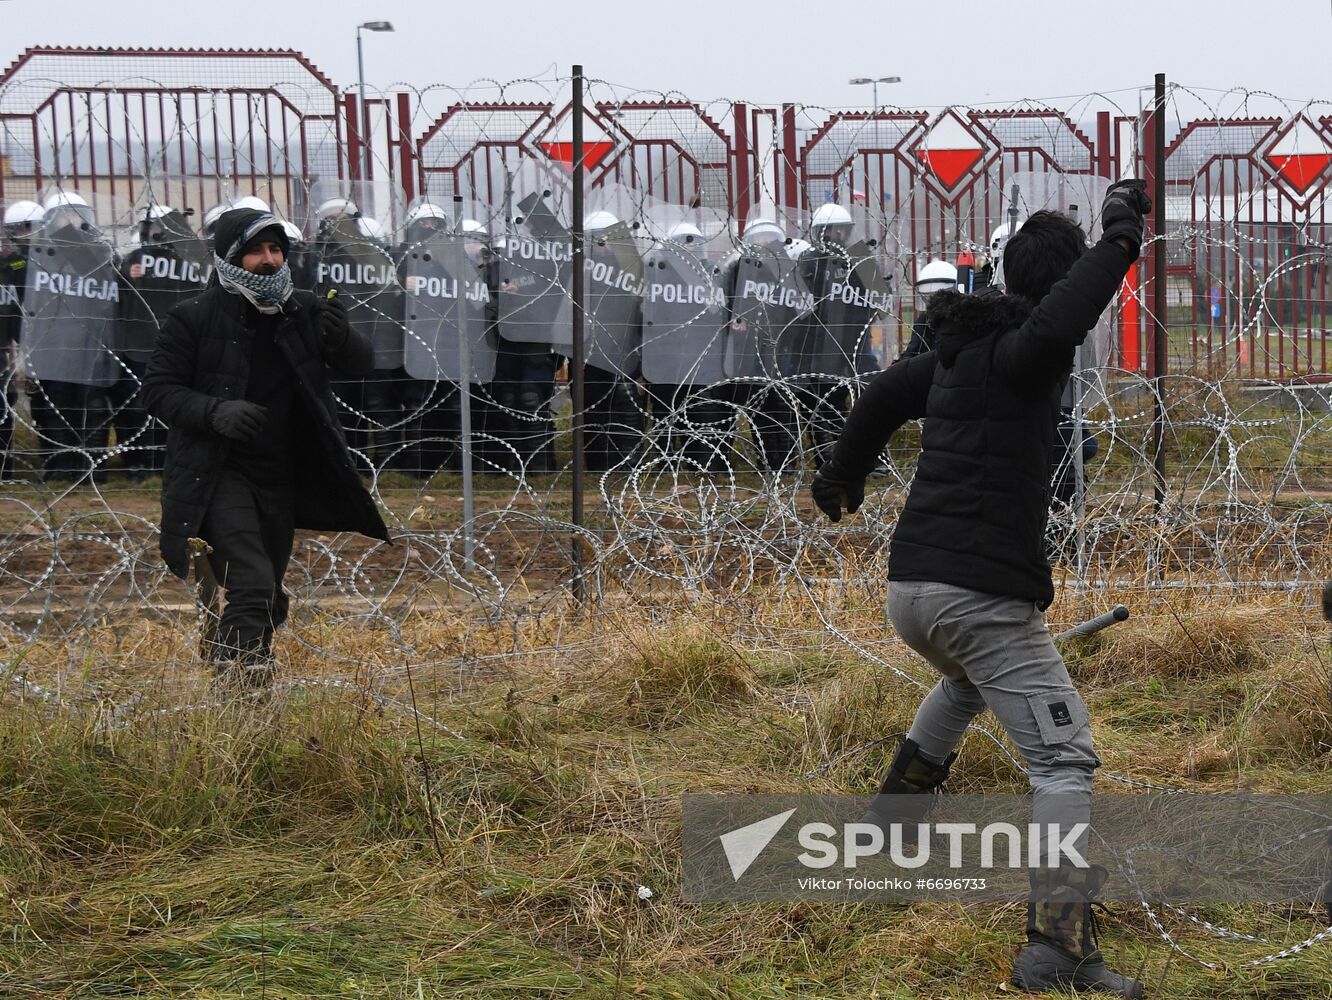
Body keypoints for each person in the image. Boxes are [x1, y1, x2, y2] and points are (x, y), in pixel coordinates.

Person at [810, 180, 1152, 998]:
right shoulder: (1029, 350)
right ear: (1063, 285)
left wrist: (841, 472)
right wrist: (1121, 238)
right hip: (979, 595)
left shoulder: (959, 356)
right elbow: (1065, 315)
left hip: (913, 591)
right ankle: (1057, 949)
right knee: (1064, 762)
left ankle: (889, 829)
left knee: (966, 683)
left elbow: (884, 394)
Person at [143, 207, 389, 690]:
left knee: (269, 596)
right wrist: (215, 412)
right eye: (256, 250)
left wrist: (342, 338)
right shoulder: (192, 317)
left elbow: (361, 363)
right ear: (231, 256)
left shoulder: (302, 309)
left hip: (281, 472)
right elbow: (157, 391)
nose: (269, 259)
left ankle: (227, 674)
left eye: (276, 249)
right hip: (217, 471)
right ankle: (241, 695)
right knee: (252, 586)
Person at [1, 200, 43, 477]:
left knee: (5, 402)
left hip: (9, 346)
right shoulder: (11, 264)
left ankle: (5, 468)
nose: (20, 236)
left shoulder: (20, 266)